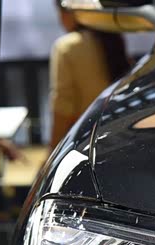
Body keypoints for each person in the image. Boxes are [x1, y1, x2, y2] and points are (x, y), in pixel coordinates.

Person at [50, 0, 129, 149]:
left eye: (60, 12)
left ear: (71, 10)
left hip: (85, 142)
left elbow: (63, 108)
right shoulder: (114, 39)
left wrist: (52, 151)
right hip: (118, 136)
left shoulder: (67, 47)